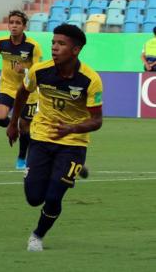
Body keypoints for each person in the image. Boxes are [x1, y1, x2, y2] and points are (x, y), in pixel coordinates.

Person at [6, 24, 103, 252]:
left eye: (61, 44)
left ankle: (37, 236)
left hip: (73, 144)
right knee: (33, 197)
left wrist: (71, 129)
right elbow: (22, 92)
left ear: (75, 50)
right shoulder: (40, 71)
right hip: (41, 138)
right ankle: (73, 169)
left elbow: (97, 120)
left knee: (53, 195)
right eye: (53, 43)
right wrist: (14, 123)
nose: (55, 48)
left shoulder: (90, 80)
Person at [0, 10, 41, 170]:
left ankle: (21, 158)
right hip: (8, 86)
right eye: (11, 22)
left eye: (18, 23)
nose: (14, 26)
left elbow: (38, 70)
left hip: (28, 90)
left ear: (24, 26)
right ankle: (14, 126)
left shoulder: (33, 46)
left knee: (26, 126)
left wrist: (25, 71)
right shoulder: (1, 42)